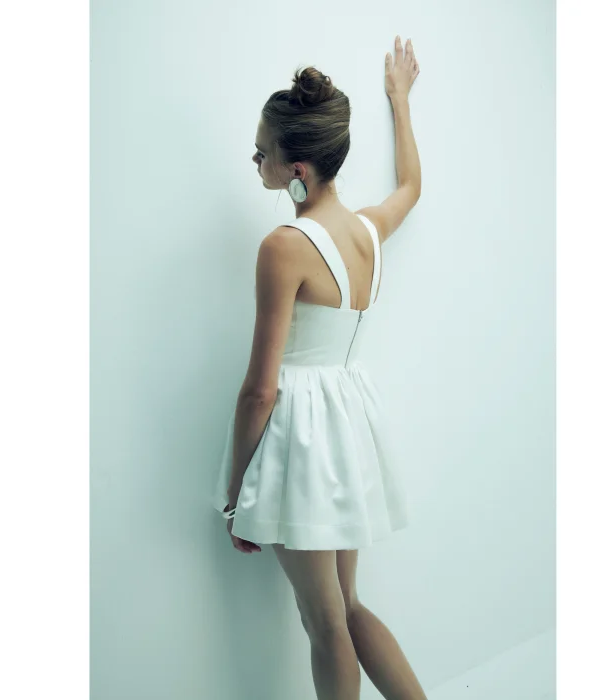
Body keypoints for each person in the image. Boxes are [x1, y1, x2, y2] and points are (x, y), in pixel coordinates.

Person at [211, 35, 426, 700]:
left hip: (300, 441)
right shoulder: (367, 231)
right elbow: (411, 188)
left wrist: (236, 494)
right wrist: (400, 102)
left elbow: (260, 389)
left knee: (324, 623)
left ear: (298, 168)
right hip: (347, 429)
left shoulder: (284, 247)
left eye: (263, 153)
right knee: (348, 609)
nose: (256, 160)